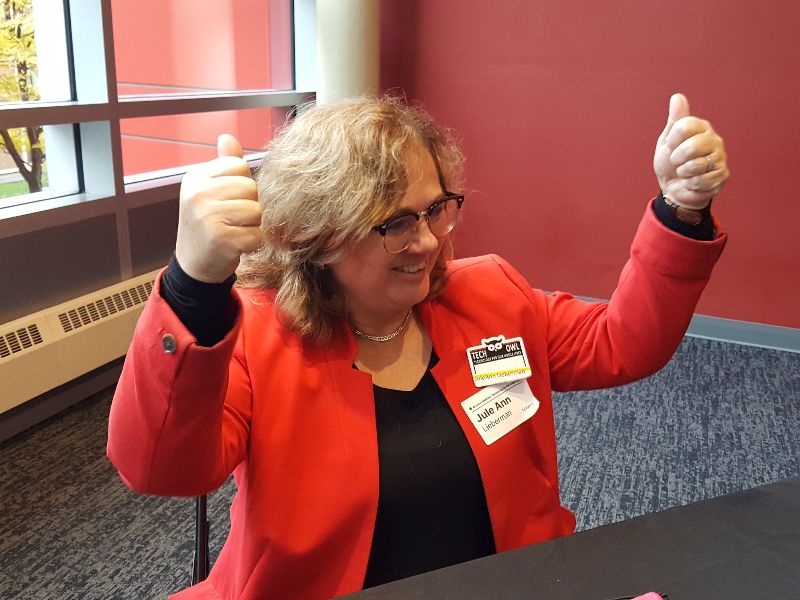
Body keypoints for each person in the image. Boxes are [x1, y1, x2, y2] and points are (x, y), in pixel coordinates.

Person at [107, 93, 729, 599]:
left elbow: (622, 343)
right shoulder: (259, 336)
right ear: (318, 236)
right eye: (395, 222)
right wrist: (192, 285)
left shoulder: (488, 294)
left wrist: (682, 209)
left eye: (435, 210)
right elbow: (160, 468)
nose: (428, 241)